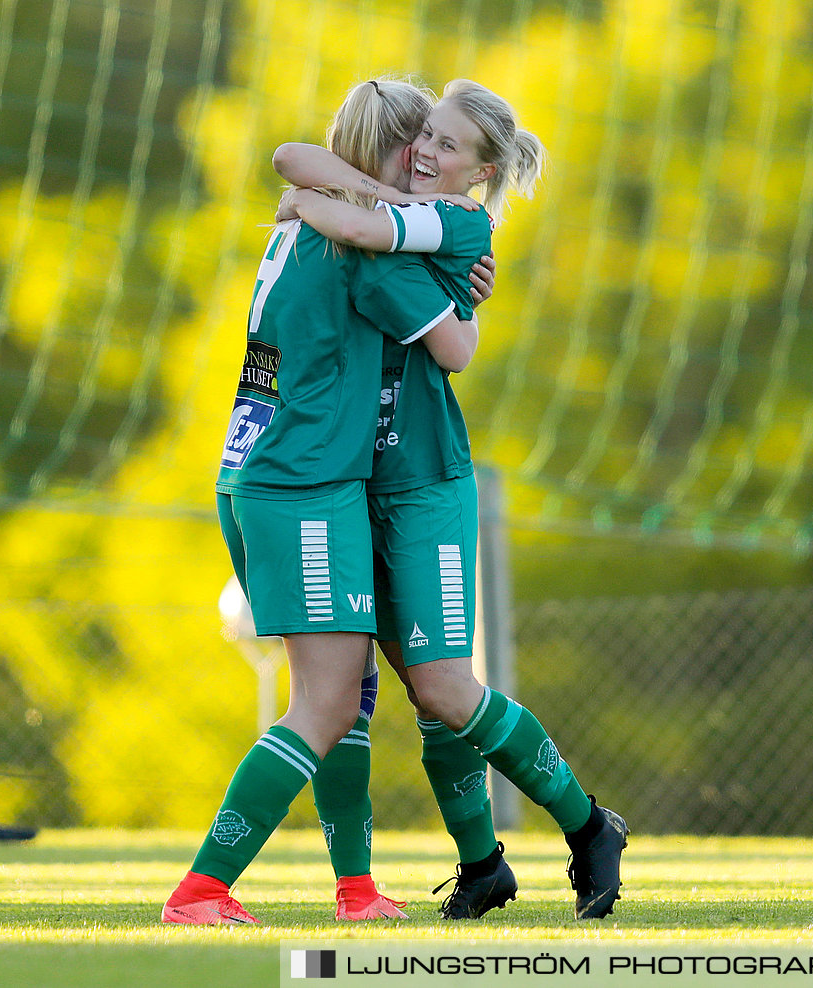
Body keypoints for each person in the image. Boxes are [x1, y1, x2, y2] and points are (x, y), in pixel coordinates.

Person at [274, 79, 630, 922]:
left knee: (440, 687)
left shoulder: (438, 229)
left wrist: (330, 209)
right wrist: (332, 198)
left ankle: (588, 825)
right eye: (421, 136)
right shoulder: (398, 222)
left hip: (425, 480)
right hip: (358, 483)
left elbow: (456, 347)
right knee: (408, 683)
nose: (425, 154)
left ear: (480, 171)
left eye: (444, 146)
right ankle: (481, 866)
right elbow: (293, 161)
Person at [162, 78, 482, 926]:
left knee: (350, 692)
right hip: (297, 486)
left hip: (271, 476)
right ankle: (201, 890)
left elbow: (293, 162)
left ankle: (355, 889)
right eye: (421, 146)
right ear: (395, 149)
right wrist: (460, 284)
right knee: (329, 700)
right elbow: (454, 350)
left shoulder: (309, 213)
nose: (429, 163)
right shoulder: (360, 242)